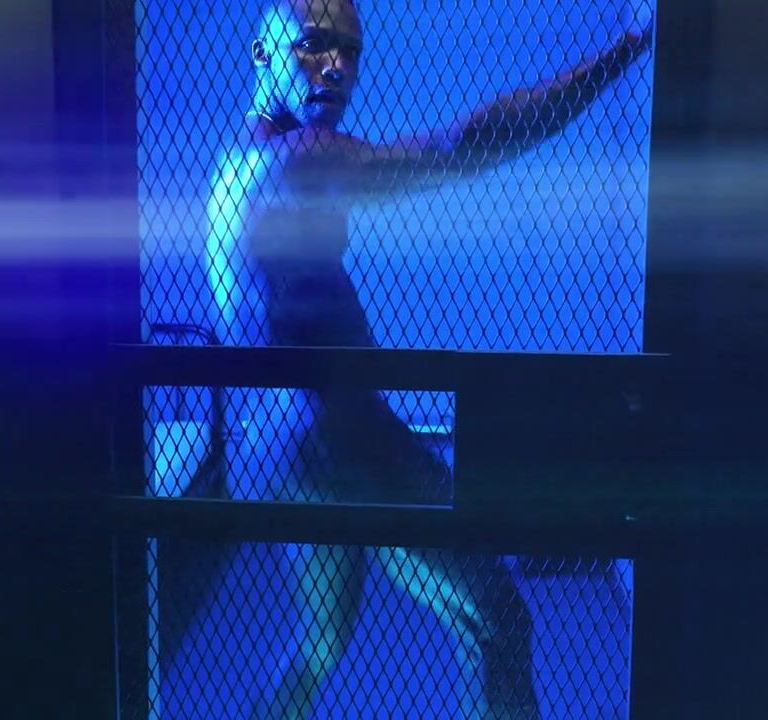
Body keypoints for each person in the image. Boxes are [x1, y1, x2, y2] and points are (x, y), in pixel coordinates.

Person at [203, 1, 651, 717]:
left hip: (275, 449)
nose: (337, 67)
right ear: (263, 53)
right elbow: (460, 145)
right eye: (314, 44)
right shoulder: (302, 157)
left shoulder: (234, 167)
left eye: (351, 51)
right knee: (499, 616)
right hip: (339, 434)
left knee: (321, 644)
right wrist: (621, 52)